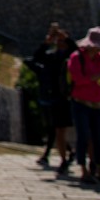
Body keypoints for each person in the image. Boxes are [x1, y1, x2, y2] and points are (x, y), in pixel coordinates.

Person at [67, 26, 100, 185]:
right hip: (80, 102)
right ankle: (84, 170)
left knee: (98, 139)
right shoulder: (76, 58)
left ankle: (98, 168)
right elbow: (78, 80)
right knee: (83, 136)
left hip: (97, 103)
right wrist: (98, 77)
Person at [27, 23, 76, 174]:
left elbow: (76, 51)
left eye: (62, 42)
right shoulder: (51, 57)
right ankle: (64, 156)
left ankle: (61, 156)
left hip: (64, 98)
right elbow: (36, 58)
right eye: (58, 41)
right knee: (54, 128)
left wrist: (67, 39)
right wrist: (45, 43)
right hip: (50, 96)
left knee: (58, 128)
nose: (59, 44)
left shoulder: (71, 58)